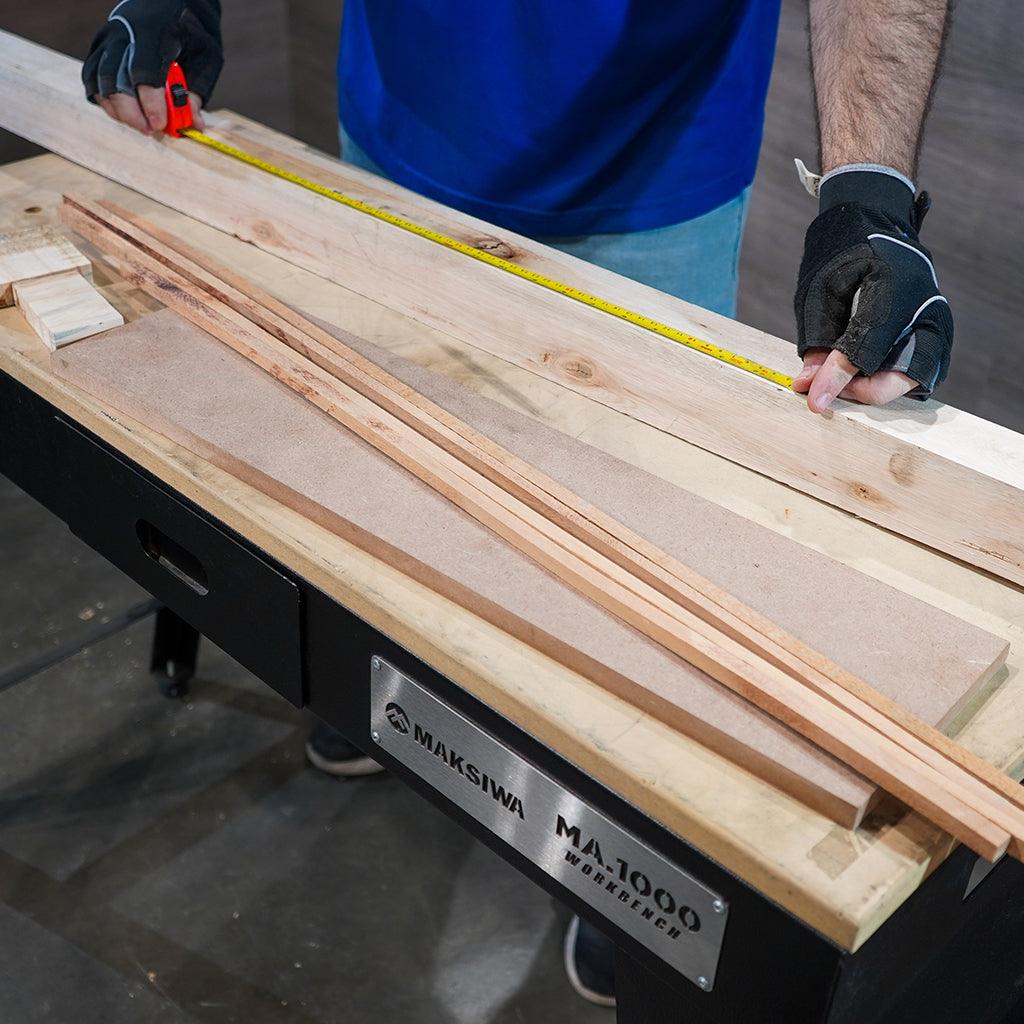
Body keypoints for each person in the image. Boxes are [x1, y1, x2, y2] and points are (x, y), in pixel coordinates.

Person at [82, 0, 955, 1007]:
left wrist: (869, 191)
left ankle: (624, 854)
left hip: (650, 170)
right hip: (401, 128)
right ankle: (379, 673)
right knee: (384, 472)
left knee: (629, 569)